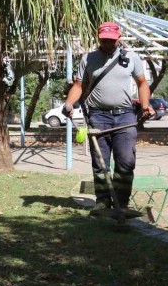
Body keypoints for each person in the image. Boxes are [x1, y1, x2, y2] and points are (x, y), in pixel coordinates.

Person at [63, 22, 155, 214]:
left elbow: (142, 83)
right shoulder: (88, 59)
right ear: (99, 38)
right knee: (100, 162)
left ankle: (121, 203)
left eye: (111, 40)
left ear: (118, 38)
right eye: (104, 40)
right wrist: (69, 104)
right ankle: (103, 202)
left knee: (126, 161)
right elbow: (79, 85)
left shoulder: (131, 57)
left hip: (125, 117)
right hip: (98, 116)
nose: (107, 44)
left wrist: (146, 105)